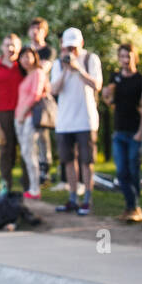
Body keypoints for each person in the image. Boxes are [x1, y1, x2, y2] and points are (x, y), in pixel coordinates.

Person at [50, 28, 102, 216]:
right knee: (68, 161)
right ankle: (73, 197)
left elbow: (97, 85)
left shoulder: (90, 60)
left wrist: (78, 69)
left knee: (87, 161)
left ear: (81, 44)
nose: (70, 51)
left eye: (74, 46)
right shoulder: (58, 64)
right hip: (64, 121)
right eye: (67, 47)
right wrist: (65, 71)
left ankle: (87, 198)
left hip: (86, 120)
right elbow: (54, 90)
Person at [101, 45, 142, 223]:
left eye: (128, 56)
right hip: (119, 131)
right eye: (122, 56)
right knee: (121, 171)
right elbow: (110, 100)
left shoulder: (141, 80)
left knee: (133, 170)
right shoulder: (115, 77)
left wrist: (141, 132)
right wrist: (106, 95)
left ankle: (135, 207)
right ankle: (131, 207)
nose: (125, 59)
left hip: (135, 131)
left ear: (135, 57)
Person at [0, 34, 26, 193]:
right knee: (5, 151)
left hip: (23, 113)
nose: (10, 48)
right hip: (3, 113)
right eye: (7, 45)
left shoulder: (24, 66)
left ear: (19, 47)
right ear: (2, 47)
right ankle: (5, 186)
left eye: (14, 45)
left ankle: (28, 187)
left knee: (25, 150)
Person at [13, 47, 50, 200]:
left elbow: (36, 94)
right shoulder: (26, 76)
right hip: (19, 117)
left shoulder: (38, 73)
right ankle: (32, 187)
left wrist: (23, 113)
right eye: (22, 57)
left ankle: (35, 189)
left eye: (28, 56)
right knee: (25, 153)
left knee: (30, 152)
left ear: (34, 57)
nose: (26, 60)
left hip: (29, 117)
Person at [26, 17, 56, 184]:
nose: (35, 32)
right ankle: (32, 169)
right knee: (29, 136)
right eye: (33, 28)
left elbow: (42, 69)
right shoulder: (26, 50)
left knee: (43, 134)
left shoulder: (48, 51)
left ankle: (45, 169)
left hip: (41, 98)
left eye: (39, 29)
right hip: (26, 96)